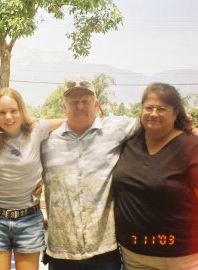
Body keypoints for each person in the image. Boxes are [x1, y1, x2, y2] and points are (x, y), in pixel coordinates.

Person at [41, 80, 137, 270]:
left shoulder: (115, 130)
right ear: (64, 106)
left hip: (103, 251)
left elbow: (155, 122)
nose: (80, 105)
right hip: (61, 254)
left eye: (86, 100)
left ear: (96, 103)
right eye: (73, 101)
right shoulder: (46, 141)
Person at [113, 83, 198, 270]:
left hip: (181, 258)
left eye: (161, 109)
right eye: (148, 108)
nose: (153, 113)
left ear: (176, 112)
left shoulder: (191, 147)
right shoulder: (129, 143)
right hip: (134, 256)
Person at [0, 87, 62, 270]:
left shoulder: (37, 129)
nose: (8, 117)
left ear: (21, 110)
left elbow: (70, 121)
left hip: (29, 219)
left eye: (13, 111)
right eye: (1, 112)